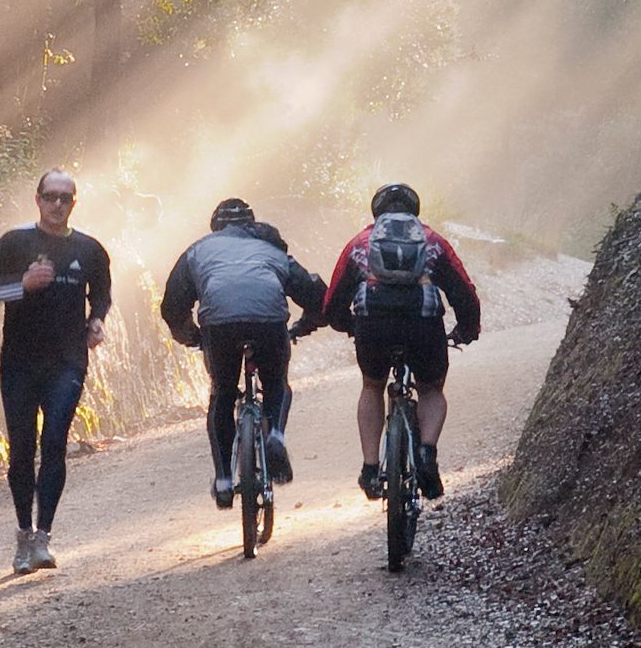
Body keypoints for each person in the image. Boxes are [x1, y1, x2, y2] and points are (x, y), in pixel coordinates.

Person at [0, 168, 113, 573]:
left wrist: (97, 320)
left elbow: (101, 296)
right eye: (51, 196)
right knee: (21, 452)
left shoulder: (91, 250)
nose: (57, 205)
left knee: (54, 442)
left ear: (74, 203)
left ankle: (44, 538)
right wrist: (22, 284)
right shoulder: (16, 243)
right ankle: (23, 534)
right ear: (38, 199)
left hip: (68, 362)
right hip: (18, 363)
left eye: (66, 198)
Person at [317, 181, 481, 503]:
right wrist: (467, 328)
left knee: (372, 386)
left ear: (376, 212)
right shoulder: (433, 241)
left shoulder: (360, 243)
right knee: (431, 388)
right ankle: (426, 453)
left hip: (373, 326)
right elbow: (464, 291)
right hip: (423, 326)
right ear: (414, 211)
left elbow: (333, 301)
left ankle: (369, 467)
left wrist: (349, 325)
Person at [160, 198, 326, 509]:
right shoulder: (272, 249)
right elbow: (316, 295)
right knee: (276, 383)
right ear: (252, 224)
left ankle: (223, 479)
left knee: (222, 392)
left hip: (219, 325)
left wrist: (191, 336)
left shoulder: (197, 251)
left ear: (215, 226)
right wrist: (304, 326)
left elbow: (172, 305)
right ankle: (275, 434)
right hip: (268, 321)